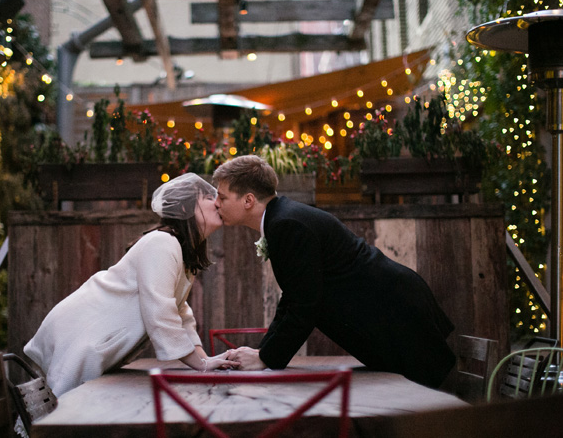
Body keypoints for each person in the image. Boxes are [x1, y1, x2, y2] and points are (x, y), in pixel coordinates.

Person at [212, 155, 456, 389]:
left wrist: (266, 358)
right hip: (389, 309)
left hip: (396, 313)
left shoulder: (287, 224)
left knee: (423, 411)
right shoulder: (282, 219)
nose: (216, 203)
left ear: (248, 200)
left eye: (222, 197)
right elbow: (294, 297)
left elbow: (304, 304)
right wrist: (264, 353)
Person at [24, 173, 238, 397]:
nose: (216, 202)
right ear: (185, 209)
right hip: (82, 332)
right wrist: (201, 365)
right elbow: (161, 312)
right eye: (207, 197)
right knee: (62, 413)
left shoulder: (181, 251)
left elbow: (180, 312)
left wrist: (204, 361)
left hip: (95, 337)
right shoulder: (162, 243)